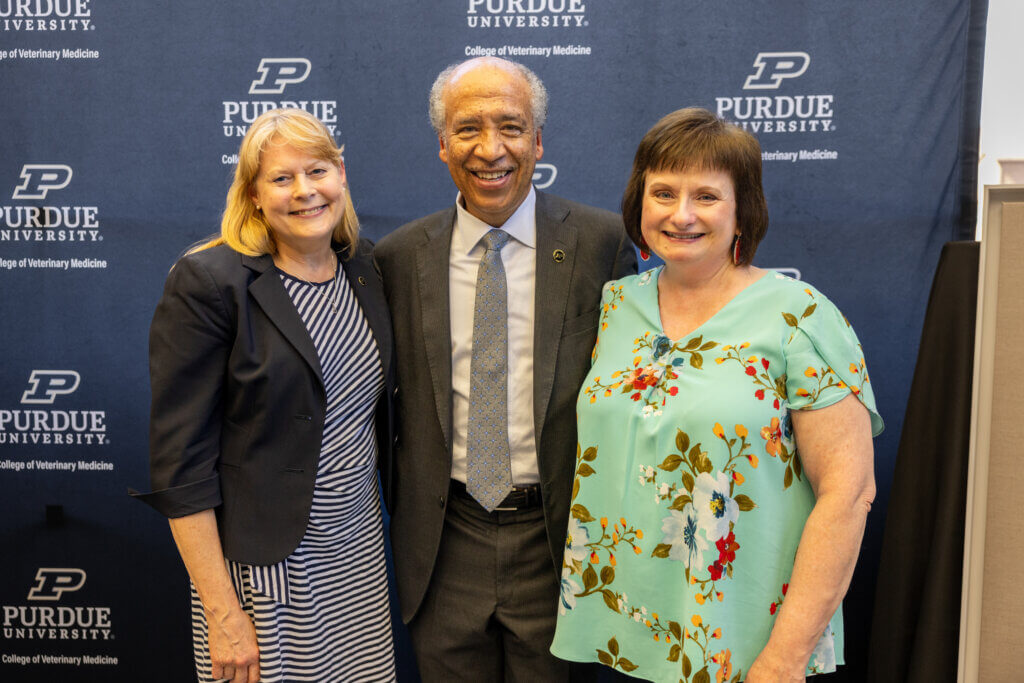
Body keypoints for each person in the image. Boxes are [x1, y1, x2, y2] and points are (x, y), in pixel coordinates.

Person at [549, 108, 883, 683]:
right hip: (624, 635)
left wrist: (782, 661)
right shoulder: (614, 306)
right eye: (663, 193)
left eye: (706, 196)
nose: (680, 215)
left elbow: (849, 495)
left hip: (751, 641)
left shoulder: (799, 316)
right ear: (639, 202)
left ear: (742, 210)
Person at [374, 57, 636, 681]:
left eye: (511, 127)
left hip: (559, 542)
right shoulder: (397, 257)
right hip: (443, 543)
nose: (491, 149)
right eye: (468, 129)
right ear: (442, 145)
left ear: (538, 140)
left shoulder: (603, 243)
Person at [132, 108, 396, 683]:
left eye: (318, 171)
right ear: (253, 193)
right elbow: (181, 469)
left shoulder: (366, 270)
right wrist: (223, 612)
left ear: (341, 175)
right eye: (281, 178)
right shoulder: (210, 281)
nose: (305, 191)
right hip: (263, 573)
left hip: (356, 558)